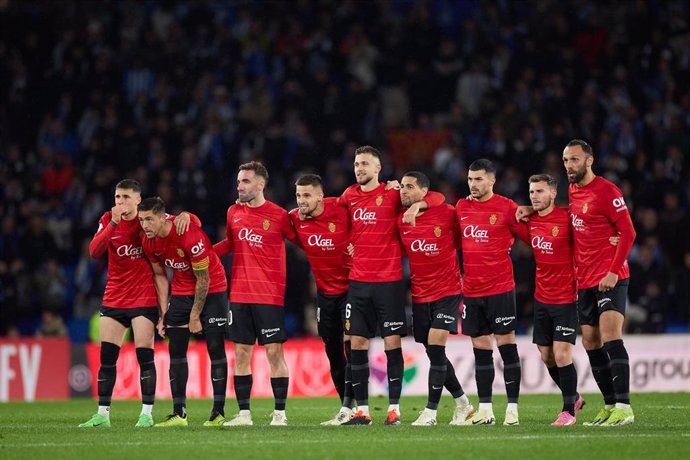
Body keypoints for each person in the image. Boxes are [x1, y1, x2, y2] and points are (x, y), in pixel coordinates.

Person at [337, 146, 444, 426]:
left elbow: (436, 196)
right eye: (357, 163)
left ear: (378, 169)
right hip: (358, 283)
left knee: (392, 342)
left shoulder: (393, 194)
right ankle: (362, 410)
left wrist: (419, 205)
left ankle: (393, 409)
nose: (359, 168)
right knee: (357, 342)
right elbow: (331, 213)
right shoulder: (349, 196)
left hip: (389, 283)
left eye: (365, 164)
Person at [79, 179, 195, 428]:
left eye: (125, 198)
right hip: (114, 296)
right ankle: (102, 415)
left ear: (138, 200)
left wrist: (187, 214)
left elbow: (186, 223)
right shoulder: (108, 219)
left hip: (143, 298)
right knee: (107, 358)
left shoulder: (147, 220)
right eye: (117, 197)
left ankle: (146, 414)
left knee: (145, 357)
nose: (120, 202)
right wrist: (112, 222)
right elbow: (94, 251)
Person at [213, 161, 297, 426]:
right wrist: (203, 254)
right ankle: (244, 414)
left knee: (274, 353)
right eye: (239, 181)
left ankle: (280, 415)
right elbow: (229, 243)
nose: (240, 186)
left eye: (246, 181)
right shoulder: (232, 212)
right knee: (241, 354)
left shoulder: (280, 215)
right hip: (238, 294)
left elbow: (301, 240)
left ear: (261, 184)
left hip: (269, 296)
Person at [562, 139, 637, 426]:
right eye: (566, 160)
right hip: (585, 280)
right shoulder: (572, 190)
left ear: (589, 160)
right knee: (591, 343)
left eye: (575, 160)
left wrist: (614, 271)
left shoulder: (607, 190)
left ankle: (624, 407)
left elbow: (628, 233)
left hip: (610, 278)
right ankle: (609, 405)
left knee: (610, 336)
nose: (570, 166)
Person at [139, 197, 229, 428]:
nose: (145, 225)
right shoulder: (148, 242)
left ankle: (217, 413)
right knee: (176, 351)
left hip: (213, 289)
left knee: (216, 350)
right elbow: (159, 275)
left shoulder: (188, 234)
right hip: (180, 292)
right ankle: (179, 414)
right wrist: (162, 315)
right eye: (141, 220)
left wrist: (195, 316)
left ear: (163, 218)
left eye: (149, 220)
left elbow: (204, 279)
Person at [397, 171, 474, 426]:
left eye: (410, 187)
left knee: (436, 345)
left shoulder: (446, 212)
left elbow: (441, 198)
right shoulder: (401, 220)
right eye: (402, 187)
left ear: (423, 191)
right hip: (420, 295)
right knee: (433, 352)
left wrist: (421, 204)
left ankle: (430, 412)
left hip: (448, 291)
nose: (403, 191)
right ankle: (463, 403)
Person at [455, 159, 524, 426]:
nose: (473, 184)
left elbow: (532, 234)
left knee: (507, 347)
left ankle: (513, 409)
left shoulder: (507, 208)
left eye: (479, 179)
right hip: (471, 291)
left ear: (492, 181)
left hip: (501, 289)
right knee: (481, 350)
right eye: (470, 179)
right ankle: (485, 410)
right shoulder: (462, 207)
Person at [289, 174, 355, 425]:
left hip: (351, 290)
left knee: (351, 344)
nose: (301, 201)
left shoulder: (341, 207)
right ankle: (345, 407)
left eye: (307, 195)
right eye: (298, 195)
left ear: (320, 195)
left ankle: (351, 407)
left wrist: (357, 243)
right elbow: (292, 235)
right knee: (333, 352)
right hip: (325, 295)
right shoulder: (295, 219)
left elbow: (368, 221)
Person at [521, 174, 585, 426]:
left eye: (539, 191)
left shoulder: (568, 217)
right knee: (546, 355)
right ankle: (575, 396)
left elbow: (591, 228)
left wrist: (612, 239)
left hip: (566, 298)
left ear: (553, 194)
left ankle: (568, 410)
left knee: (561, 356)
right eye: (531, 192)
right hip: (541, 298)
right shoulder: (530, 220)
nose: (534, 196)